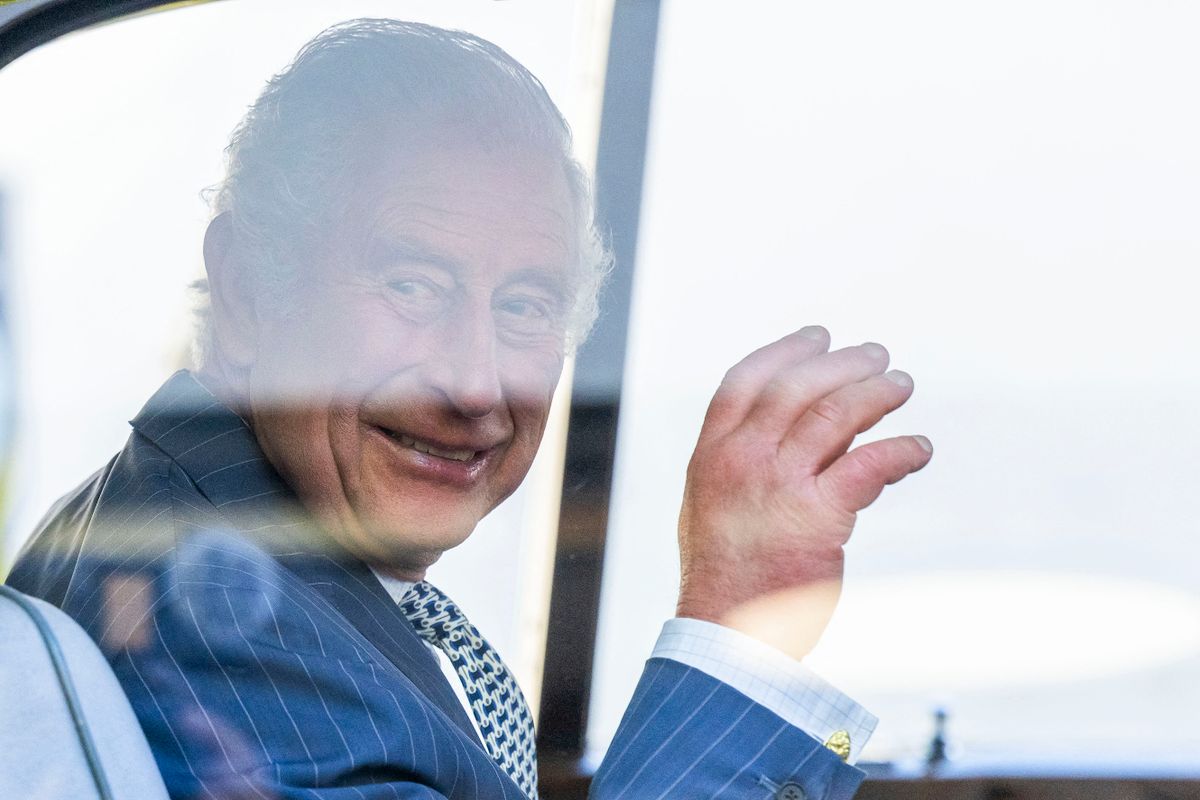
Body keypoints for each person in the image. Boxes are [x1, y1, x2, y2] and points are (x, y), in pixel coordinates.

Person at [7, 18, 932, 800]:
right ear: (249, 289)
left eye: (526, 307)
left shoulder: (174, 520)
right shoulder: (230, 631)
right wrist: (738, 628)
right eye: (413, 285)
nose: (479, 386)